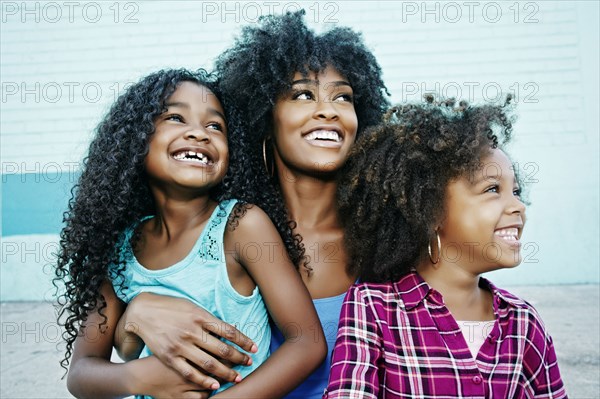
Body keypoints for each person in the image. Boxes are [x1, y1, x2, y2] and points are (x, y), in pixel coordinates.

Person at [115, 11, 389, 398]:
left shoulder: (391, 235)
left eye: (343, 96)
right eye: (303, 94)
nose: (328, 110)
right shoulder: (230, 230)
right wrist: (136, 313)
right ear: (265, 120)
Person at [54, 68, 326, 398]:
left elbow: (308, 343)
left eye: (215, 125)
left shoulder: (241, 226)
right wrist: (140, 375)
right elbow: (81, 374)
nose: (199, 133)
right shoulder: (120, 249)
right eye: (175, 118)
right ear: (136, 139)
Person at [324, 95, 567, 398]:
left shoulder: (524, 324)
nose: (518, 206)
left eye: (516, 191)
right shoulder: (372, 308)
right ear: (431, 210)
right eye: (493, 189)